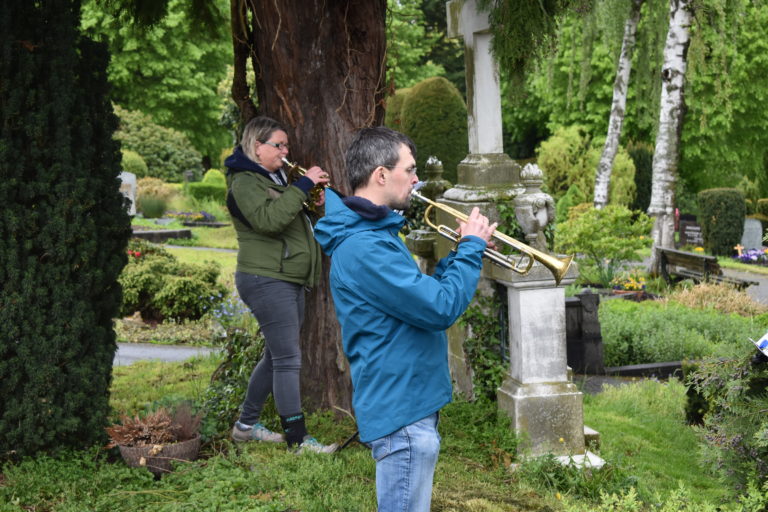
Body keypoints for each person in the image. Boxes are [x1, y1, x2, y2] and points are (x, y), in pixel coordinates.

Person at [314, 126, 496, 510]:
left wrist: (463, 253)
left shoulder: (374, 234)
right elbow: (439, 308)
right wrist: (470, 251)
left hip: (407, 403)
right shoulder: (365, 246)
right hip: (402, 411)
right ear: (381, 174)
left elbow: (417, 297)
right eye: (410, 170)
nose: (417, 180)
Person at [224, 116, 336, 454]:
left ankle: (245, 425)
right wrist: (301, 187)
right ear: (257, 146)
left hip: (287, 277)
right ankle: (298, 440)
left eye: (286, 145)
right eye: (279, 145)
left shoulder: (275, 179)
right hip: (266, 278)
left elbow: (292, 223)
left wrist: (314, 206)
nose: (286, 151)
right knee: (288, 359)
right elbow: (269, 221)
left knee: (276, 356)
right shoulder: (245, 182)